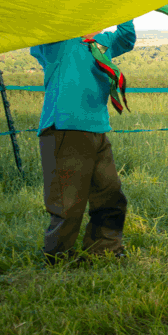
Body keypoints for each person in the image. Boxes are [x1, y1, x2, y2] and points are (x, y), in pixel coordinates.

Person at [30, 20, 136, 263]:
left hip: (97, 128)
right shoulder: (59, 43)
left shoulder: (103, 42)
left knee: (110, 196)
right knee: (67, 204)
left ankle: (105, 250)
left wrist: (126, 10)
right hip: (64, 128)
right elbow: (41, 29)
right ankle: (58, 258)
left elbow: (126, 38)